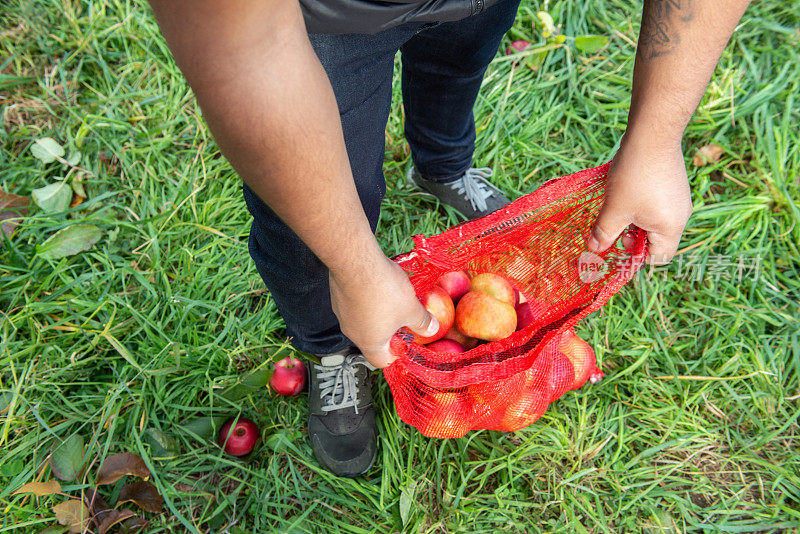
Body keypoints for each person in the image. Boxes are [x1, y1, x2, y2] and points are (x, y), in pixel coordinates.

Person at [146, 0, 751, 477]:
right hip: (320, 19)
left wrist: (657, 135)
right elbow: (242, 52)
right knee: (311, 227)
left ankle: (441, 167)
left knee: (453, 73)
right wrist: (355, 268)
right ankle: (333, 345)